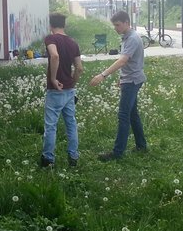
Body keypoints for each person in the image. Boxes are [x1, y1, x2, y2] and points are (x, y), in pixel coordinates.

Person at [89, 11, 148, 161]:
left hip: (132, 81)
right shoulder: (128, 37)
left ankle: (117, 153)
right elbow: (128, 63)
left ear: (127, 23)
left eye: (118, 25)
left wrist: (103, 75)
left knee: (123, 116)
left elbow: (123, 61)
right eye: (114, 25)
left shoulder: (132, 39)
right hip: (131, 79)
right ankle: (141, 146)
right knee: (133, 114)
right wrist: (122, 78)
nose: (116, 28)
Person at [40, 13, 84, 167]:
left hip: (55, 90)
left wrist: (53, 79)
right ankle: (73, 157)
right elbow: (79, 68)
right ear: (64, 25)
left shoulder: (51, 39)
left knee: (51, 125)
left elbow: (54, 56)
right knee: (71, 124)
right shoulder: (73, 42)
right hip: (69, 90)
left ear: (50, 25)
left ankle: (48, 159)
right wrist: (73, 82)